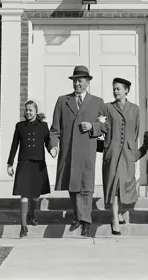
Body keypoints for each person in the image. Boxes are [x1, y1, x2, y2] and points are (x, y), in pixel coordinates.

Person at [49, 65, 105, 237]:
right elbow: (55, 128)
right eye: (75, 81)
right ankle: (77, 214)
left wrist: (92, 126)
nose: (77, 85)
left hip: (87, 150)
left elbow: (105, 125)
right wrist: (53, 145)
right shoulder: (62, 101)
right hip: (68, 150)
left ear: (87, 82)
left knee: (86, 186)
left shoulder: (97, 102)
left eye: (80, 81)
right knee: (72, 185)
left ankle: (86, 220)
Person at [7, 100, 54, 238]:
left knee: (35, 195)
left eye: (30, 110)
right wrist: (10, 164)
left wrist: (52, 149)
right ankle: (23, 226)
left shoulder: (43, 126)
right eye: (26, 110)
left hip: (38, 163)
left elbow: (47, 142)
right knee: (24, 194)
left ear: (35, 111)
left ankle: (32, 213)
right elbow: (14, 145)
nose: (28, 112)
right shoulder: (20, 126)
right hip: (24, 163)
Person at [101, 77, 140, 235]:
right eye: (114, 88)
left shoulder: (135, 109)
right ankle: (114, 219)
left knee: (126, 185)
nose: (116, 91)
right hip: (113, 152)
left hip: (127, 153)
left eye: (118, 89)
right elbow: (102, 126)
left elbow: (136, 131)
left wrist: (132, 149)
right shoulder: (107, 108)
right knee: (114, 186)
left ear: (126, 90)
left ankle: (119, 211)